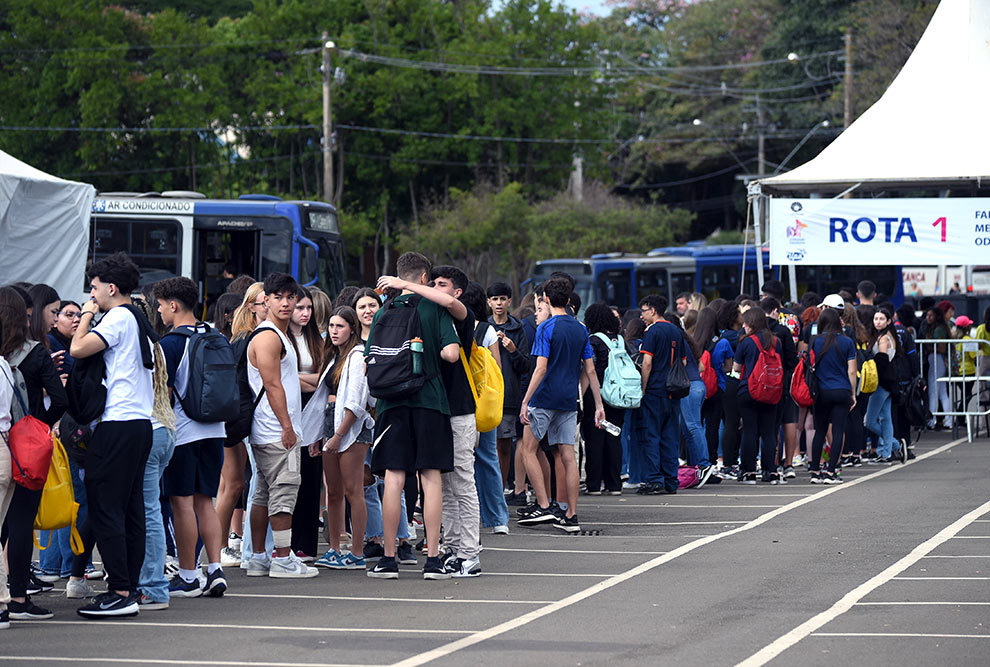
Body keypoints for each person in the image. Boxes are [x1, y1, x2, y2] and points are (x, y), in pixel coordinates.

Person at [69, 252, 156, 617]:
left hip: (118, 423)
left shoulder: (118, 316)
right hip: (141, 425)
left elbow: (77, 348)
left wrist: (87, 314)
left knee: (106, 507)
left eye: (94, 288)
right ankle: (129, 588)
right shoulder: (141, 319)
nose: (92, 294)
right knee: (131, 509)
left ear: (111, 287)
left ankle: (119, 590)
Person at [365, 252, 460, 579]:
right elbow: (451, 354)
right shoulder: (435, 307)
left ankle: (388, 558)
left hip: (391, 404)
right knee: (430, 477)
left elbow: (370, 361)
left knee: (394, 478)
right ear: (424, 278)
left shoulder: (383, 311)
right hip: (430, 399)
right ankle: (433, 558)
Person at [153, 277, 229, 598]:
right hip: (216, 429)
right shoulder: (216, 336)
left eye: (160, 305)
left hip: (184, 432)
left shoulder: (170, 343)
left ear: (173, 305)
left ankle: (187, 575)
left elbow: (163, 393)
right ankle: (214, 568)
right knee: (205, 502)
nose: (159, 312)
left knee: (181, 503)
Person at [244, 273, 317, 579]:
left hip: (269, 429)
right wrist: (287, 427)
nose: (286, 303)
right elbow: (273, 385)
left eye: (291, 297)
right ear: (267, 300)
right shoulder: (268, 336)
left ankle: (259, 557)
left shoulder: (276, 334)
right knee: (284, 493)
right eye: (279, 297)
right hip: (275, 430)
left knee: (263, 493)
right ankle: (282, 559)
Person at [516, 278, 604, 531]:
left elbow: (540, 368)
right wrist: (598, 404)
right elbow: (590, 370)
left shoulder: (546, 327)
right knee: (568, 457)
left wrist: (526, 400)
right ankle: (571, 515)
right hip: (568, 399)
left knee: (528, 450)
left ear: (545, 298)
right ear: (568, 300)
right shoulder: (580, 329)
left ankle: (544, 505)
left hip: (544, 397)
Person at [0, 286, 67, 621]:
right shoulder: (36, 353)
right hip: (26, 448)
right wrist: (39, 424)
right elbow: (60, 399)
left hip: (1, 439)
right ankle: (19, 597)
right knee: (21, 522)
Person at [315, 306, 372, 570]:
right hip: (329, 425)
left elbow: (357, 403)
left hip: (352, 428)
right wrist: (320, 434)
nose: (334, 331)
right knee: (333, 491)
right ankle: (334, 549)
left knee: (353, 490)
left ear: (352, 329)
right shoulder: (332, 357)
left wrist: (339, 435)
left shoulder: (358, 354)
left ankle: (357, 552)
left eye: (340, 326)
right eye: (331, 326)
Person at [218, 282, 267, 567]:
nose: (269, 306)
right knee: (233, 485)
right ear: (251, 307)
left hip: (232, 417)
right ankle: (220, 547)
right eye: (263, 302)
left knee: (231, 485)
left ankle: (220, 546)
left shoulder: (241, 337)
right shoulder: (249, 338)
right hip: (236, 418)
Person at [288, 287, 325, 561]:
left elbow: (325, 377)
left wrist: (302, 379)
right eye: (299, 307)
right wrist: (306, 379)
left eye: (308, 308)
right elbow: (281, 378)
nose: (304, 313)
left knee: (312, 481)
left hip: (314, 412)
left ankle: (307, 546)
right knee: (288, 481)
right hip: (288, 412)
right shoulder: (280, 338)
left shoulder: (317, 339)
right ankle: (284, 544)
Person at [486, 281, 531, 503]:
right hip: (485, 395)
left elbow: (525, 365)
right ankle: (488, 492)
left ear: (510, 301)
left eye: (503, 299)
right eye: (495, 299)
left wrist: (512, 350)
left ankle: (501, 491)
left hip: (508, 395)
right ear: (488, 302)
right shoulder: (482, 328)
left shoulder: (517, 328)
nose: (499, 303)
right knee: (486, 447)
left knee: (504, 445)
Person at [635, 294, 683, 494]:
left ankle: (655, 479)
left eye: (644, 311)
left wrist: (643, 388)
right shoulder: (676, 330)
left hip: (655, 389)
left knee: (651, 435)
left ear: (653, 310)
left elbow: (647, 363)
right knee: (670, 437)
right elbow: (684, 360)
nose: (642, 316)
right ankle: (671, 479)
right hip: (674, 389)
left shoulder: (652, 332)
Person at [731, 308, 783, 484]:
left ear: (752, 323)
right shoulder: (776, 341)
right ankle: (770, 470)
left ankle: (749, 471)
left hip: (749, 389)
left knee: (750, 430)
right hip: (771, 389)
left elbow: (737, 368)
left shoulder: (745, 342)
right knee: (769, 431)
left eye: (745, 322)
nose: (743, 325)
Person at [807, 308, 858, 483]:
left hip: (820, 391)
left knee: (820, 431)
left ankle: (814, 471)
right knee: (837, 431)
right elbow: (852, 371)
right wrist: (853, 393)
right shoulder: (847, 342)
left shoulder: (814, 340)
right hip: (842, 389)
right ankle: (831, 471)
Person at [582, 303, 627, 495]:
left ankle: (594, 484)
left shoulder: (593, 341)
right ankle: (614, 483)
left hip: (596, 394)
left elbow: (588, 370)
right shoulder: (619, 340)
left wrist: (581, 397)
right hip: (617, 395)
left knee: (594, 439)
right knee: (614, 438)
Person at [759, 298, 798, 478]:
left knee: (766, 425)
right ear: (776, 310)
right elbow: (792, 360)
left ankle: (769, 462)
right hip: (782, 382)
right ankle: (788, 463)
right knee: (788, 420)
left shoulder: (756, 331)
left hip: (759, 383)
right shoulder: (783, 330)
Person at [712, 301, 742, 478]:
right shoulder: (735, 337)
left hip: (723, 384)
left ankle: (728, 462)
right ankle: (730, 462)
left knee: (729, 423)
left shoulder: (722, 336)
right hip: (733, 381)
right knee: (733, 423)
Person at [923, 306, 951, 428]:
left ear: (937, 317)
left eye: (931, 315)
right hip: (936, 359)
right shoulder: (939, 328)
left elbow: (941, 347)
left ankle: (932, 420)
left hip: (937, 359)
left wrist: (929, 347)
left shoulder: (938, 330)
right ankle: (948, 420)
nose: (927, 318)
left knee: (934, 391)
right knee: (942, 391)